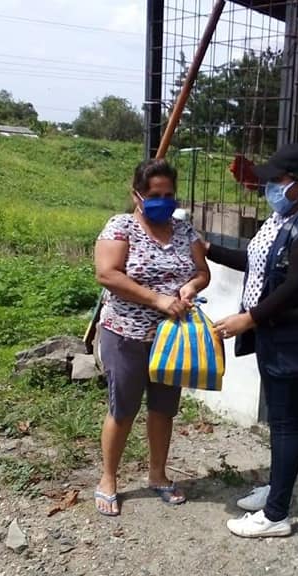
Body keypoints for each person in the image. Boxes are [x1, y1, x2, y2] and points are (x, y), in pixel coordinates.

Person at [207, 144, 298, 538]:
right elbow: (260, 265)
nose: (268, 186)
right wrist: (209, 250)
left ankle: (275, 516)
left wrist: (248, 319)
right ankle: (277, 490)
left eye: (276, 179)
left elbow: (294, 288)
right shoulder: (288, 218)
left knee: (286, 424)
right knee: (280, 421)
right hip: (279, 335)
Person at [93, 159, 210, 516]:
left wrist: (191, 287)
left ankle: (158, 475)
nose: (164, 201)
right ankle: (108, 478)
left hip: (172, 337)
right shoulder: (121, 227)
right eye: (155, 195)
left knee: (163, 409)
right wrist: (157, 299)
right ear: (137, 195)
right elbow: (107, 274)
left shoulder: (184, 230)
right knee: (123, 408)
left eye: (169, 194)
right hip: (126, 333)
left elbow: (202, 271)